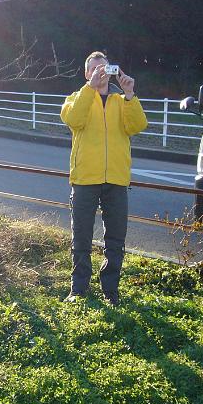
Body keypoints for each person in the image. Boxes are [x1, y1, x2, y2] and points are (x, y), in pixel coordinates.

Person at [60, 52, 148, 305]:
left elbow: (137, 126)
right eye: (95, 69)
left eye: (104, 68)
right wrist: (90, 89)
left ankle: (110, 290)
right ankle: (78, 289)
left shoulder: (122, 101)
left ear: (111, 72)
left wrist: (129, 94)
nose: (100, 72)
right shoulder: (76, 98)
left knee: (116, 239)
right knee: (81, 237)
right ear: (86, 73)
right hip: (85, 178)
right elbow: (74, 119)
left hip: (117, 179)